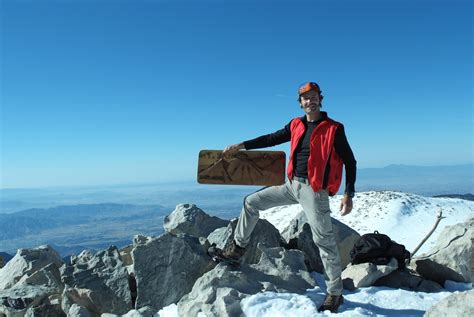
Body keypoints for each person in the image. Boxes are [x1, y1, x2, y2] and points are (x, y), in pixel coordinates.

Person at [221, 81, 357, 313]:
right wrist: (242, 145)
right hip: (291, 185)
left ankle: (334, 293)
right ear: (301, 102)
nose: (310, 101)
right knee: (251, 202)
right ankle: (237, 249)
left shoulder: (334, 128)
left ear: (320, 100)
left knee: (323, 240)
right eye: (305, 98)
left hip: (314, 191)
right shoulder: (296, 124)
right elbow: (271, 138)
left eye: (314, 97)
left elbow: (350, 161)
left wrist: (348, 192)